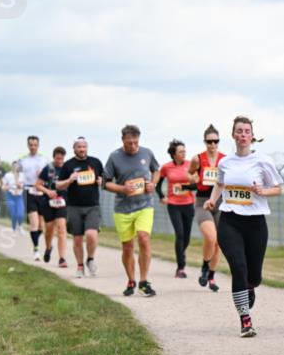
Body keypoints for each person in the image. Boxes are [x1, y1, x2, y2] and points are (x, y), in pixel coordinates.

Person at [205, 116, 283, 337]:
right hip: (229, 220)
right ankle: (245, 320)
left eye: (246, 131)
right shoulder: (225, 162)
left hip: (256, 222)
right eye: (239, 131)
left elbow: (277, 188)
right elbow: (220, 183)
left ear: (252, 135)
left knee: (254, 276)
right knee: (238, 268)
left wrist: (263, 192)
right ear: (233, 135)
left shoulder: (263, 161)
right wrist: (213, 200)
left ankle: (249, 286)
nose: (242, 135)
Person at [103, 125, 160, 296]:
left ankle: (143, 281)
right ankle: (131, 280)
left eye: (135, 143)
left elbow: (156, 170)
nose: (133, 146)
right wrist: (122, 189)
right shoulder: (114, 157)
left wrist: (153, 184)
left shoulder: (147, 153)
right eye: (129, 143)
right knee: (127, 247)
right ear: (123, 141)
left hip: (144, 205)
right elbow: (105, 183)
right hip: (123, 208)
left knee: (143, 238)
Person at [57, 137, 104, 279]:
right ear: (74, 148)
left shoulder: (95, 162)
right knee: (77, 239)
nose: (82, 149)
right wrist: (70, 180)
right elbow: (58, 185)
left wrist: (102, 181)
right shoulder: (68, 165)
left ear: (87, 148)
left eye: (84, 146)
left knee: (91, 234)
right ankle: (80, 266)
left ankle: (90, 259)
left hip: (92, 206)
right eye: (79, 147)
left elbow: (106, 180)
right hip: (74, 207)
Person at [188, 124, 225, 291]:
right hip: (203, 201)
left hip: (220, 201)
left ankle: (211, 276)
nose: (213, 145)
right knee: (210, 237)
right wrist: (193, 177)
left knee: (218, 242)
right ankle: (204, 266)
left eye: (216, 141)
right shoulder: (197, 159)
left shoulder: (225, 159)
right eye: (209, 141)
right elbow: (189, 173)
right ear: (205, 142)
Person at [156, 139, 198, 277]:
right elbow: (158, 184)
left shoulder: (190, 165)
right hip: (173, 205)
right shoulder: (166, 167)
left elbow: (197, 185)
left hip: (188, 204)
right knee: (179, 234)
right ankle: (181, 267)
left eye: (184, 151)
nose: (184, 154)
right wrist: (162, 196)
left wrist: (185, 187)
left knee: (186, 237)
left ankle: (180, 253)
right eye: (181, 152)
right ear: (173, 154)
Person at [37, 147, 69, 267]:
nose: (59, 160)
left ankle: (62, 258)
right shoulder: (48, 169)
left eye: (61, 158)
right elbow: (38, 185)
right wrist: (48, 192)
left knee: (61, 229)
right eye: (57, 158)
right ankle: (48, 247)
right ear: (54, 157)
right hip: (48, 202)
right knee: (49, 230)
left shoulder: (67, 169)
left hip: (62, 202)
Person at [19, 136, 49, 261]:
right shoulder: (22, 160)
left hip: (41, 191)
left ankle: (35, 238)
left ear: (38, 145)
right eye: (31, 145)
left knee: (42, 225)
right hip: (29, 191)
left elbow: (50, 174)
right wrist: (19, 182)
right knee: (34, 222)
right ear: (28, 145)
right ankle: (36, 249)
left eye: (35, 145)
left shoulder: (44, 159)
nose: (33, 147)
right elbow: (17, 174)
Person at [2, 161, 26, 233]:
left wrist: (20, 186)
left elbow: (24, 186)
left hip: (19, 196)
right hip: (10, 196)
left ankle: (20, 226)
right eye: (14, 166)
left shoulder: (23, 175)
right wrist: (7, 187)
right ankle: (13, 228)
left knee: (20, 213)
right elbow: (3, 186)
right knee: (13, 214)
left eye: (17, 166)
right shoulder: (7, 175)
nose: (16, 167)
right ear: (12, 167)